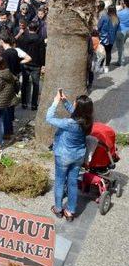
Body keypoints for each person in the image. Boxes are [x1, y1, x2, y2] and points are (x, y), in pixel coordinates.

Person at [46, 90, 91, 222]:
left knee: (60, 181)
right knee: (72, 183)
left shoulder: (69, 123)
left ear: (77, 106)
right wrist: (64, 101)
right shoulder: (87, 121)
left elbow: (49, 118)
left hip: (63, 156)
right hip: (78, 156)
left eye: (74, 103)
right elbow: (75, 112)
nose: (73, 103)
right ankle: (70, 211)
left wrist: (55, 102)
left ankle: (58, 208)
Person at [17, 21, 46, 110]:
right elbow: (42, 53)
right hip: (36, 64)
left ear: (29, 28)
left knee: (25, 83)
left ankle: (24, 103)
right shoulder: (40, 39)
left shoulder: (23, 38)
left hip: (25, 63)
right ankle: (33, 104)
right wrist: (43, 64)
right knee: (36, 84)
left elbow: (20, 51)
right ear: (37, 29)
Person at [97, 5, 119, 72]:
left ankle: (100, 67)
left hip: (103, 37)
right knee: (108, 52)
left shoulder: (104, 17)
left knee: (102, 52)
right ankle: (106, 67)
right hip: (111, 38)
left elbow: (99, 26)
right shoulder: (117, 18)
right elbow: (117, 29)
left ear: (108, 10)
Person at [115, 0, 129, 65]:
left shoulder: (119, 13)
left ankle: (121, 61)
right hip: (128, 30)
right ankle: (121, 60)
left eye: (122, 2)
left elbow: (115, 22)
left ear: (124, 4)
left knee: (120, 47)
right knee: (122, 45)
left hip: (121, 31)